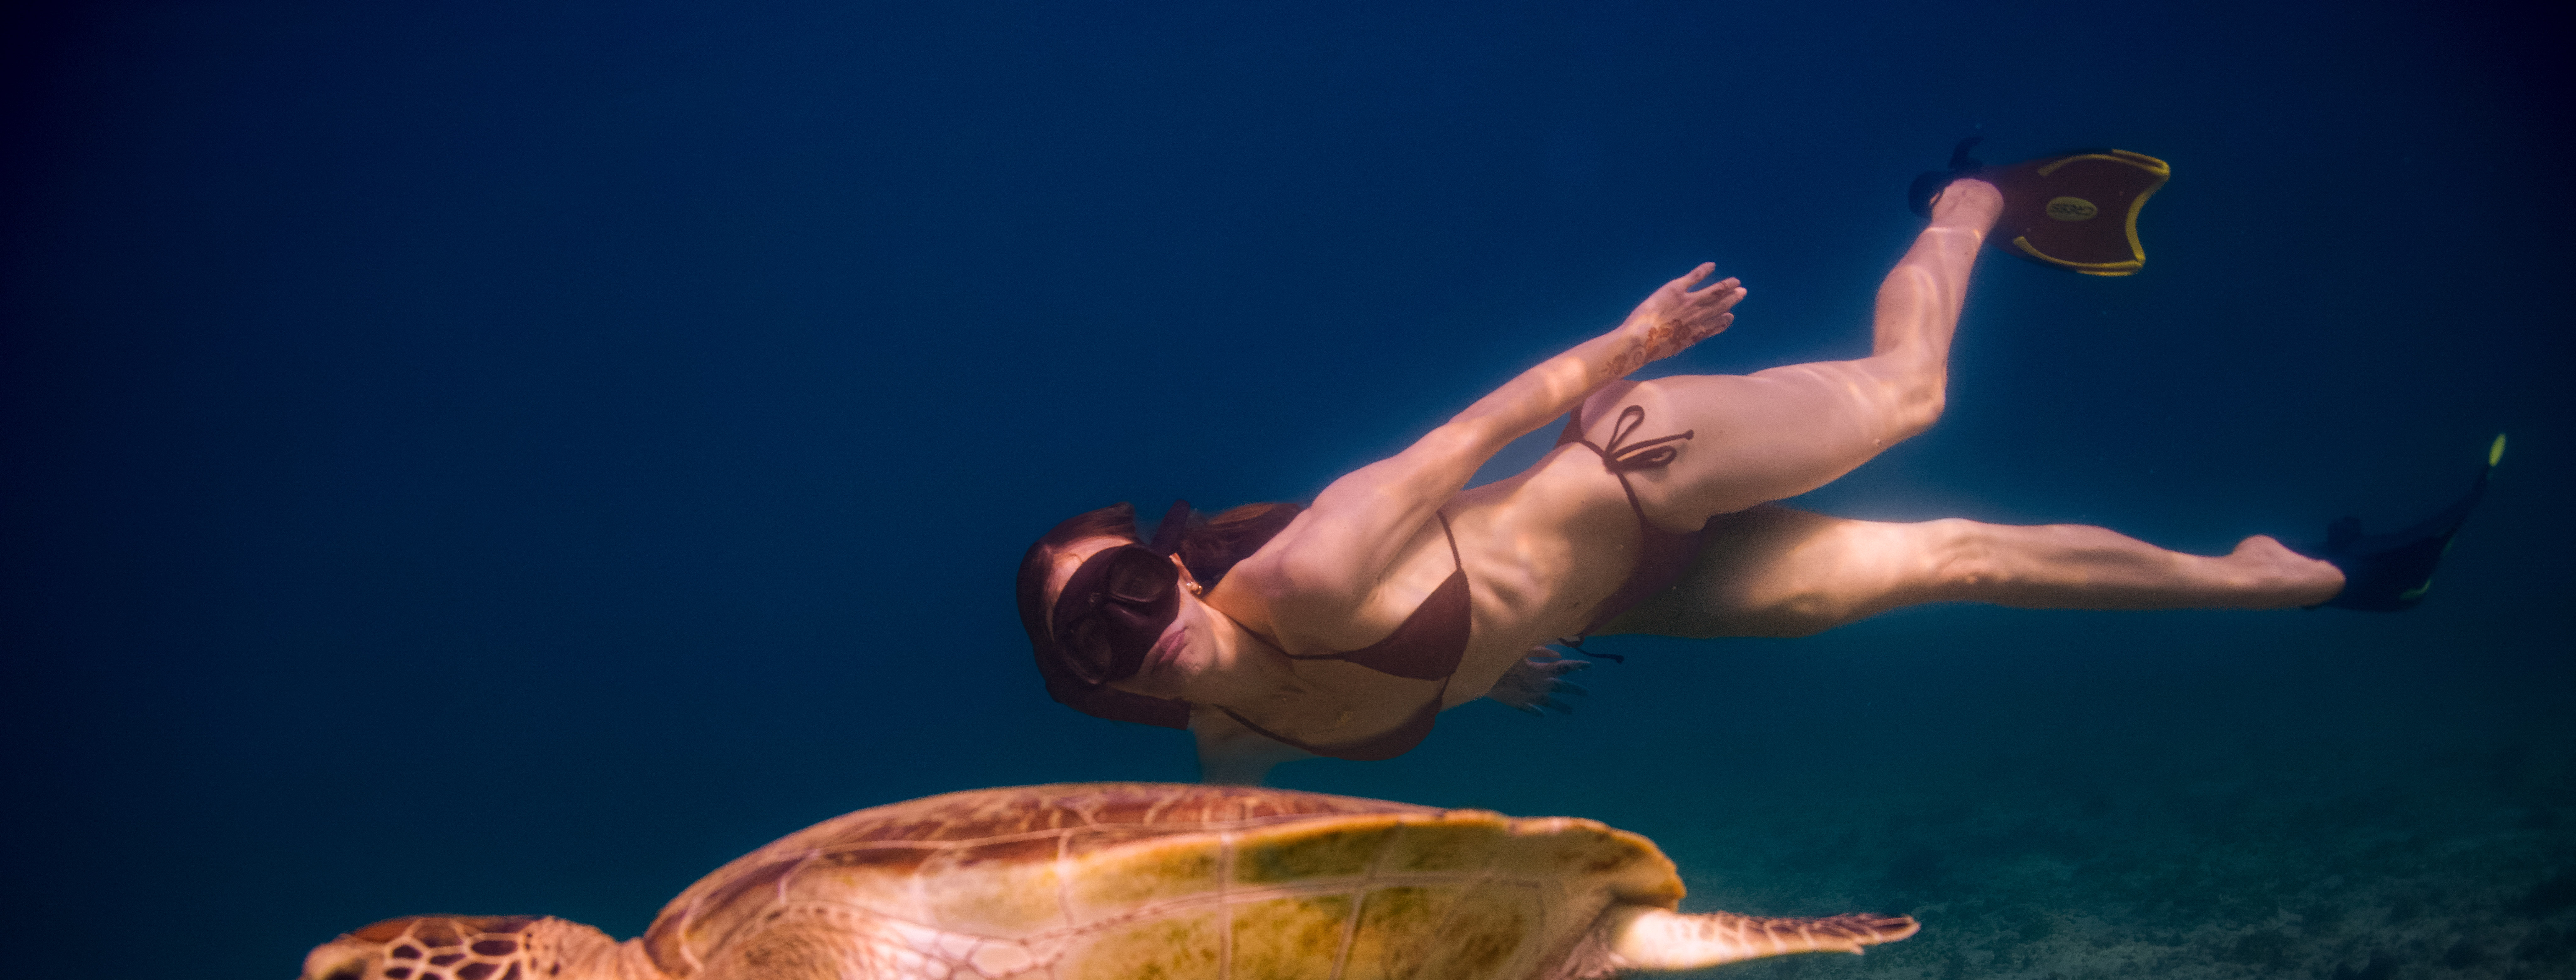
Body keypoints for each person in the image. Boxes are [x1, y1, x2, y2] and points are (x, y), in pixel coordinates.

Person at [1017, 156, 2495, 785]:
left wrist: (1629, 342)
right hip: (1635, 601)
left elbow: (1466, 435)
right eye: (1095, 638)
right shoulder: (1233, 757)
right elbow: (1210, 887)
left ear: (1184, 566)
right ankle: (2317, 580)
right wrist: (1489, 659)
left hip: (1632, 466)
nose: (1137, 628)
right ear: (1087, 687)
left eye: (1134, 585)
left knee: (1908, 397)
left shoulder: (1310, 572)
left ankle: (1971, 198)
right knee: (1953, 562)